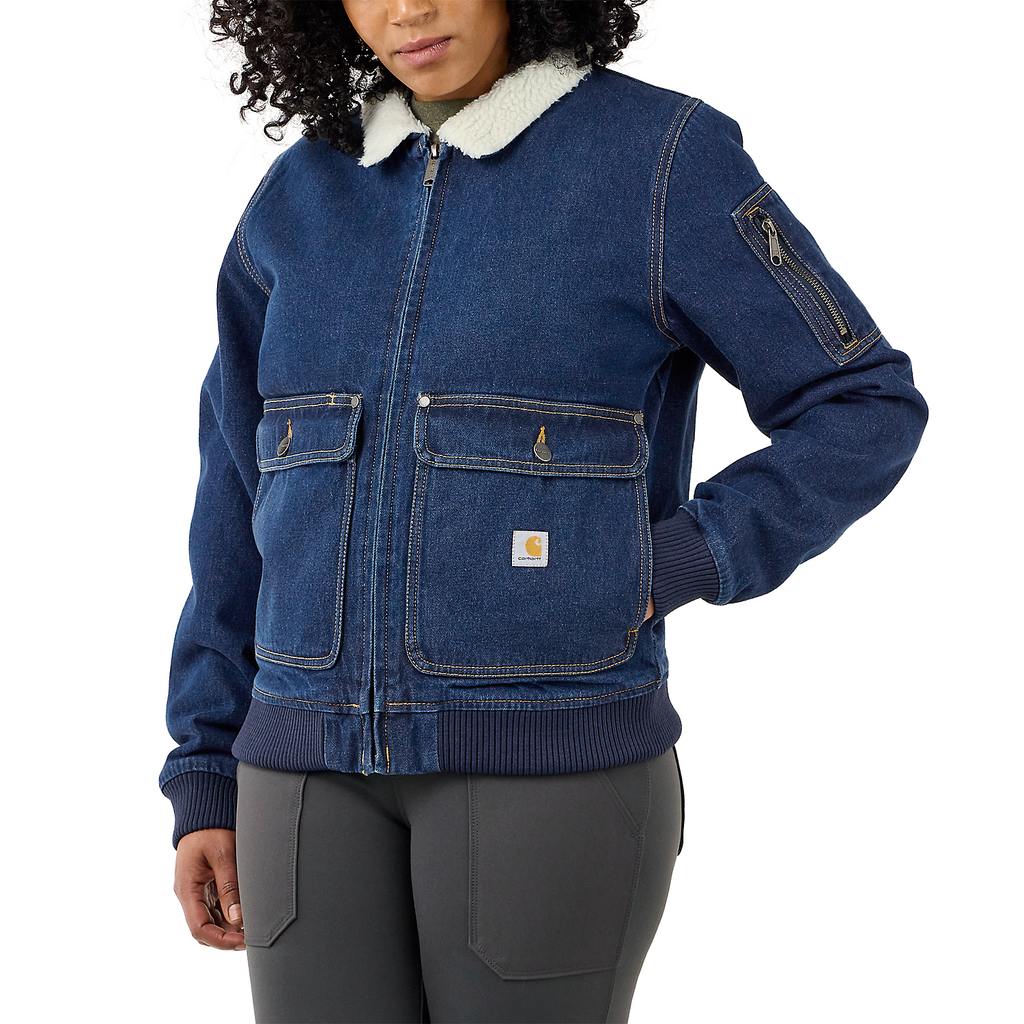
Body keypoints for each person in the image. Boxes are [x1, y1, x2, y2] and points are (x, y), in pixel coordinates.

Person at [161, 2, 928, 1021]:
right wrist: (205, 767)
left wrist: (675, 558)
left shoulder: (659, 161)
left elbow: (860, 403)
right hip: (298, 777)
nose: (406, 9)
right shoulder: (300, 193)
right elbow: (233, 499)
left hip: (551, 765)